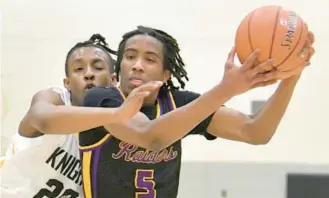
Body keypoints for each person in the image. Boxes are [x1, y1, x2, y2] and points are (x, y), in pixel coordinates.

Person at [79, 26, 314, 198]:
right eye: (130, 57)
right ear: (120, 66)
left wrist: (291, 75)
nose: (137, 64)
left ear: (165, 75)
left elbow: (255, 132)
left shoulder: (178, 103)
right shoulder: (101, 99)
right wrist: (226, 89)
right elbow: (150, 136)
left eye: (149, 59)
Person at [0, 34, 160, 198]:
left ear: (113, 80)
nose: (89, 74)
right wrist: (117, 114)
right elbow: (41, 118)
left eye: (98, 68)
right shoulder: (55, 99)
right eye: (78, 69)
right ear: (67, 83)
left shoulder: (116, 130)